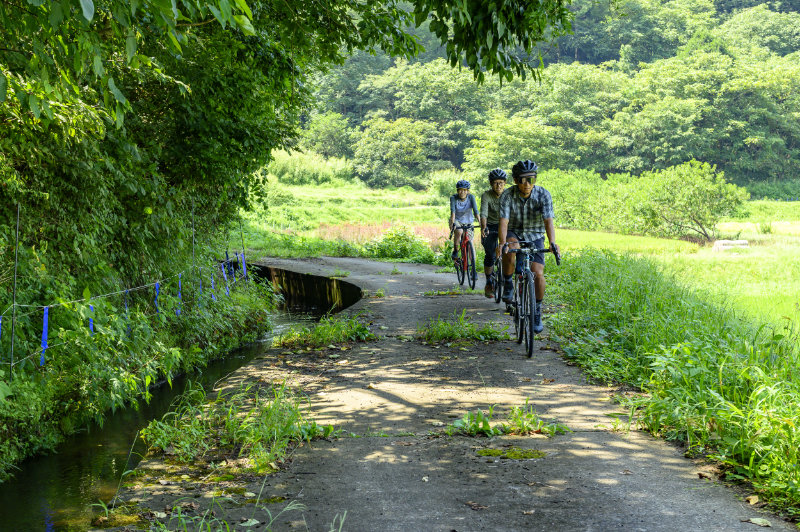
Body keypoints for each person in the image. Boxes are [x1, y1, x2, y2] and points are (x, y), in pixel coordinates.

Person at [497, 160, 559, 333]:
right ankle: (508, 282)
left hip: (535, 235)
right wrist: (502, 244)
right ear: (516, 180)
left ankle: (537, 311)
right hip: (514, 231)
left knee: (538, 274)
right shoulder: (507, 195)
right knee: (510, 248)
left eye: (531, 179)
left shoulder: (543, 195)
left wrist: (552, 242)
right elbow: (504, 221)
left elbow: (548, 221)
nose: (527, 184)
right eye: (523, 180)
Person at [479, 169, 507, 297]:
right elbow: (483, 213)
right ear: (491, 183)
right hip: (490, 225)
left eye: (501, 183)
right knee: (490, 254)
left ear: (505, 183)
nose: (498, 186)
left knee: (510, 251)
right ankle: (489, 281)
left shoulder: (508, 194)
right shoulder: (486, 195)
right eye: (495, 183)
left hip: (506, 225)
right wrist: (484, 227)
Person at [449, 179, 479, 281]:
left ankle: (473, 269)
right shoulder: (453, 198)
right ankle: (456, 250)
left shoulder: (471, 198)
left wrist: (481, 223)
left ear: (468, 191)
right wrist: (453, 224)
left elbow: (476, 211)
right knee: (459, 231)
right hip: (457, 221)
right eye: (460, 190)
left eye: (465, 190)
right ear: (457, 191)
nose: (463, 192)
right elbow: (453, 212)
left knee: (470, 243)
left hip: (468, 222)